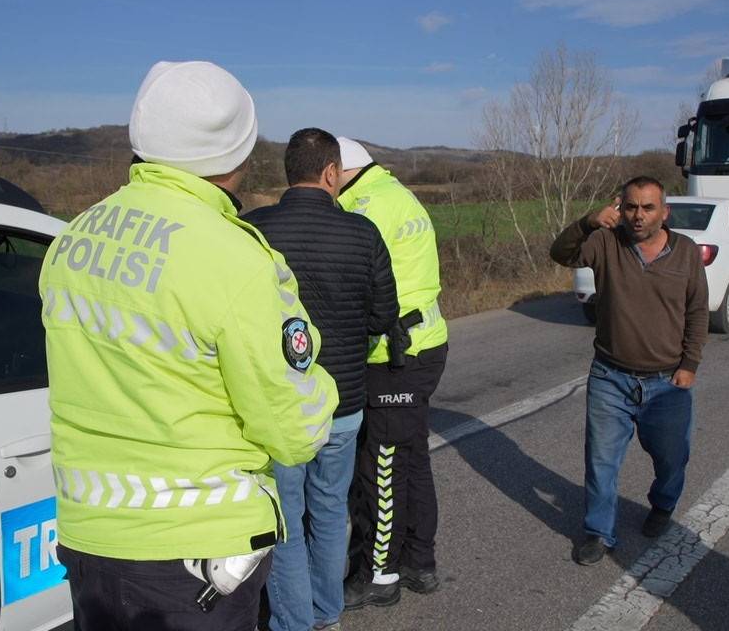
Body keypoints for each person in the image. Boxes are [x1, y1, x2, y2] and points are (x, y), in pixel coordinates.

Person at [40, 61, 338, 631]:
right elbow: (295, 429)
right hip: (197, 558)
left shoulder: (73, 237)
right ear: (241, 154)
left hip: (90, 540)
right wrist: (320, 384)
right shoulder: (236, 260)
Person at [242, 128, 399, 631]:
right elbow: (383, 316)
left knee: (284, 520)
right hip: (344, 401)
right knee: (330, 512)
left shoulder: (252, 230)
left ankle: (292, 621)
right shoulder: (362, 232)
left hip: (277, 404)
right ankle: (326, 613)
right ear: (331, 173)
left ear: (289, 172)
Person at [548, 175, 708, 566]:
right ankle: (599, 532)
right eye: (631, 207)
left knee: (672, 458)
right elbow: (560, 253)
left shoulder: (685, 252)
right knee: (601, 460)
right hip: (610, 377)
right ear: (621, 208)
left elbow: (697, 311)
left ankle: (663, 505)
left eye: (648, 207)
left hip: (667, 382)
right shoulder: (606, 242)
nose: (638, 216)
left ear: (663, 212)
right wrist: (589, 221)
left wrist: (689, 365)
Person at [335, 137, 449, 609]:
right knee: (410, 459)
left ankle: (379, 574)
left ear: (339, 170)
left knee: (381, 467)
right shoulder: (395, 191)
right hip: (425, 343)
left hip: (393, 354)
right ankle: (420, 562)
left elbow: (349, 281)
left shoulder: (364, 205)